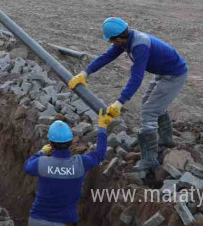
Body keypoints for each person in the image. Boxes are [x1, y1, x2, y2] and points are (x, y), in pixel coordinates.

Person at [67, 17, 188, 170]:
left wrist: (120, 102)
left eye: (111, 41)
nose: (112, 44)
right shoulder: (126, 40)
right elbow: (107, 57)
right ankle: (166, 140)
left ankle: (149, 160)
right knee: (150, 104)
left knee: (149, 111)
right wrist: (85, 73)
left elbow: (137, 77)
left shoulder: (140, 45)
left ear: (118, 39)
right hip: (163, 72)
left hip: (174, 75)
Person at [23, 110, 114, 226]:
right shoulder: (80, 163)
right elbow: (100, 154)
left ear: (51, 144)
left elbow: (27, 167)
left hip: (38, 220)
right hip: (65, 221)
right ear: (71, 142)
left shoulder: (41, 163)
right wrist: (102, 126)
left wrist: (42, 152)